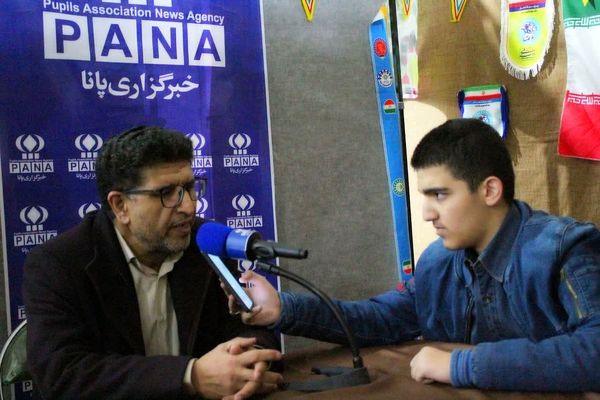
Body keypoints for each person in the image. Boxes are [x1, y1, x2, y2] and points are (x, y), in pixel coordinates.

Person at [233, 118, 600, 392]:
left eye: (440, 195)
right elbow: (380, 319)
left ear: (489, 190)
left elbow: (595, 350)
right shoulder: (438, 261)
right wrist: (283, 309)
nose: (426, 213)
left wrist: (461, 366)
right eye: (425, 196)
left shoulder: (564, 249)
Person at [23, 126, 282, 400]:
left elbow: (249, 327)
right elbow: (62, 375)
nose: (189, 206)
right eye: (167, 193)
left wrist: (251, 363)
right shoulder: (58, 264)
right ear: (120, 205)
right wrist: (190, 376)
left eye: (189, 187)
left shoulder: (206, 243)